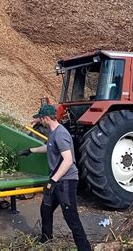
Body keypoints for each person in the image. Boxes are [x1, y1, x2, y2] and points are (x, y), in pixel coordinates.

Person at [20, 105, 91, 250]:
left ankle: (85, 248)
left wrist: (53, 180)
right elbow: (50, 147)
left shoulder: (61, 134)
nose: (40, 121)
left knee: (71, 217)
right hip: (57, 180)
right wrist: (31, 150)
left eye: (40, 118)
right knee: (45, 209)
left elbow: (68, 160)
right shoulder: (53, 133)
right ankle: (46, 240)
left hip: (66, 181)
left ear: (46, 118)